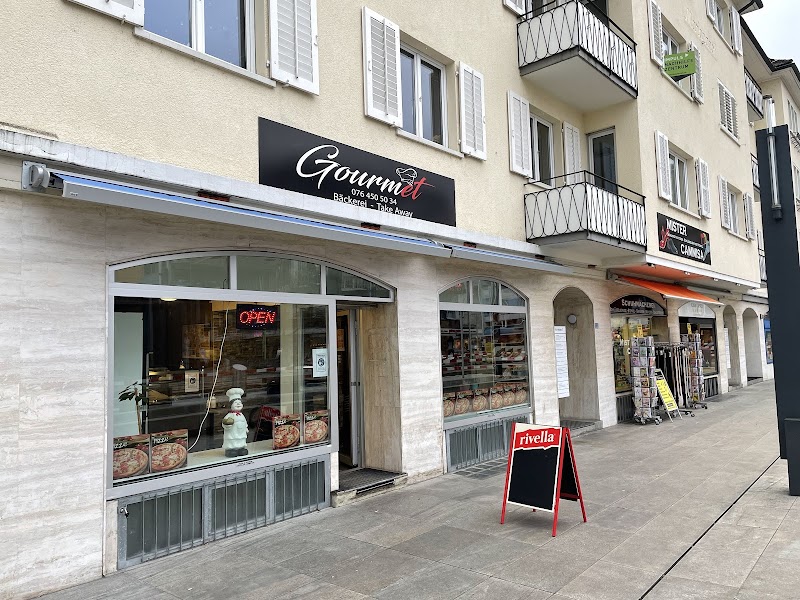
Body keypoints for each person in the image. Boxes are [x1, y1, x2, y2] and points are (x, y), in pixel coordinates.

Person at [221, 388, 248, 457]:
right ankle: (231, 450)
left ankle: (241, 448)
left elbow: (245, 423)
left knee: (241, 440)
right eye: (236, 403)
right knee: (232, 441)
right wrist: (227, 425)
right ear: (231, 405)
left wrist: (246, 428)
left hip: (241, 433)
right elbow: (224, 423)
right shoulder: (229, 415)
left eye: (240, 403)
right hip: (232, 434)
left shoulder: (242, 415)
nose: (238, 404)